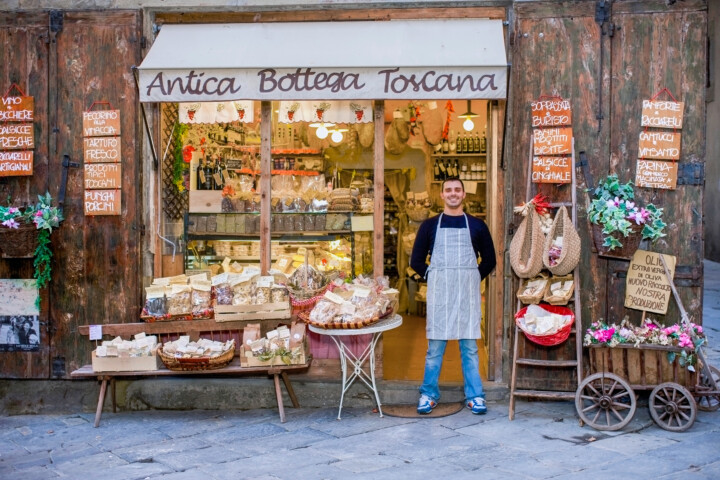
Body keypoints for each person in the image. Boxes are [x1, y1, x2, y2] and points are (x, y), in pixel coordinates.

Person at [410, 177, 496, 415]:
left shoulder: (478, 226)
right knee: (435, 348)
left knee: (469, 347)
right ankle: (428, 394)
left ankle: (475, 395)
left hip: (467, 293)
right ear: (442, 195)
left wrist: (472, 277)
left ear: (463, 195)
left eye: (457, 190)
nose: (453, 194)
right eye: (448, 190)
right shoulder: (428, 226)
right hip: (440, 293)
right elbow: (416, 261)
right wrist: (434, 276)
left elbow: (490, 260)